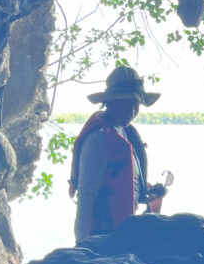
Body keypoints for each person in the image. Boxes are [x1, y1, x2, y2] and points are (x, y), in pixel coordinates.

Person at [68, 66, 168, 243]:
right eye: (126, 104)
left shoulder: (126, 133)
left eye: (135, 105)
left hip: (122, 235)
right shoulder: (98, 139)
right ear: (111, 102)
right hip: (100, 239)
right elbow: (86, 195)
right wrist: (82, 245)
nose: (132, 111)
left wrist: (149, 194)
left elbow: (126, 185)